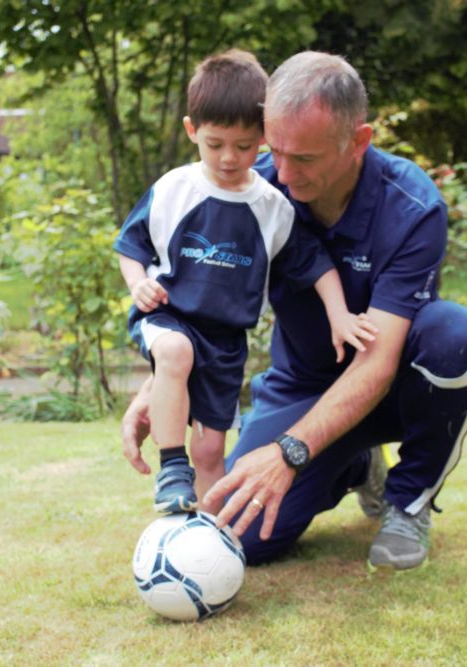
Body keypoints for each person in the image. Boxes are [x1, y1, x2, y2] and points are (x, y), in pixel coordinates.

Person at [121, 51, 467, 571]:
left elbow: (378, 362)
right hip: (302, 385)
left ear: (357, 141)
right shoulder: (254, 186)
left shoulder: (412, 206)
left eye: (306, 159)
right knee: (237, 537)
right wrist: (162, 383)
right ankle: (355, 466)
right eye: (275, 151)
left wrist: (289, 453)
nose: (284, 175)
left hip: (391, 387)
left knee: (455, 337)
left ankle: (408, 500)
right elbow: (198, 298)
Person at [114, 49, 377, 515]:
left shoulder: (271, 206)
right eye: (215, 145)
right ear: (192, 130)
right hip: (168, 317)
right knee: (175, 352)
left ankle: (214, 533)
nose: (230, 158)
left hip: (226, 341)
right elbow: (130, 247)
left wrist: (339, 316)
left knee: (213, 451)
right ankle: (173, 471)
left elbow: (315, 264)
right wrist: (138, 285)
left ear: (264, 137)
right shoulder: (174, 189)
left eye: (244, 146)